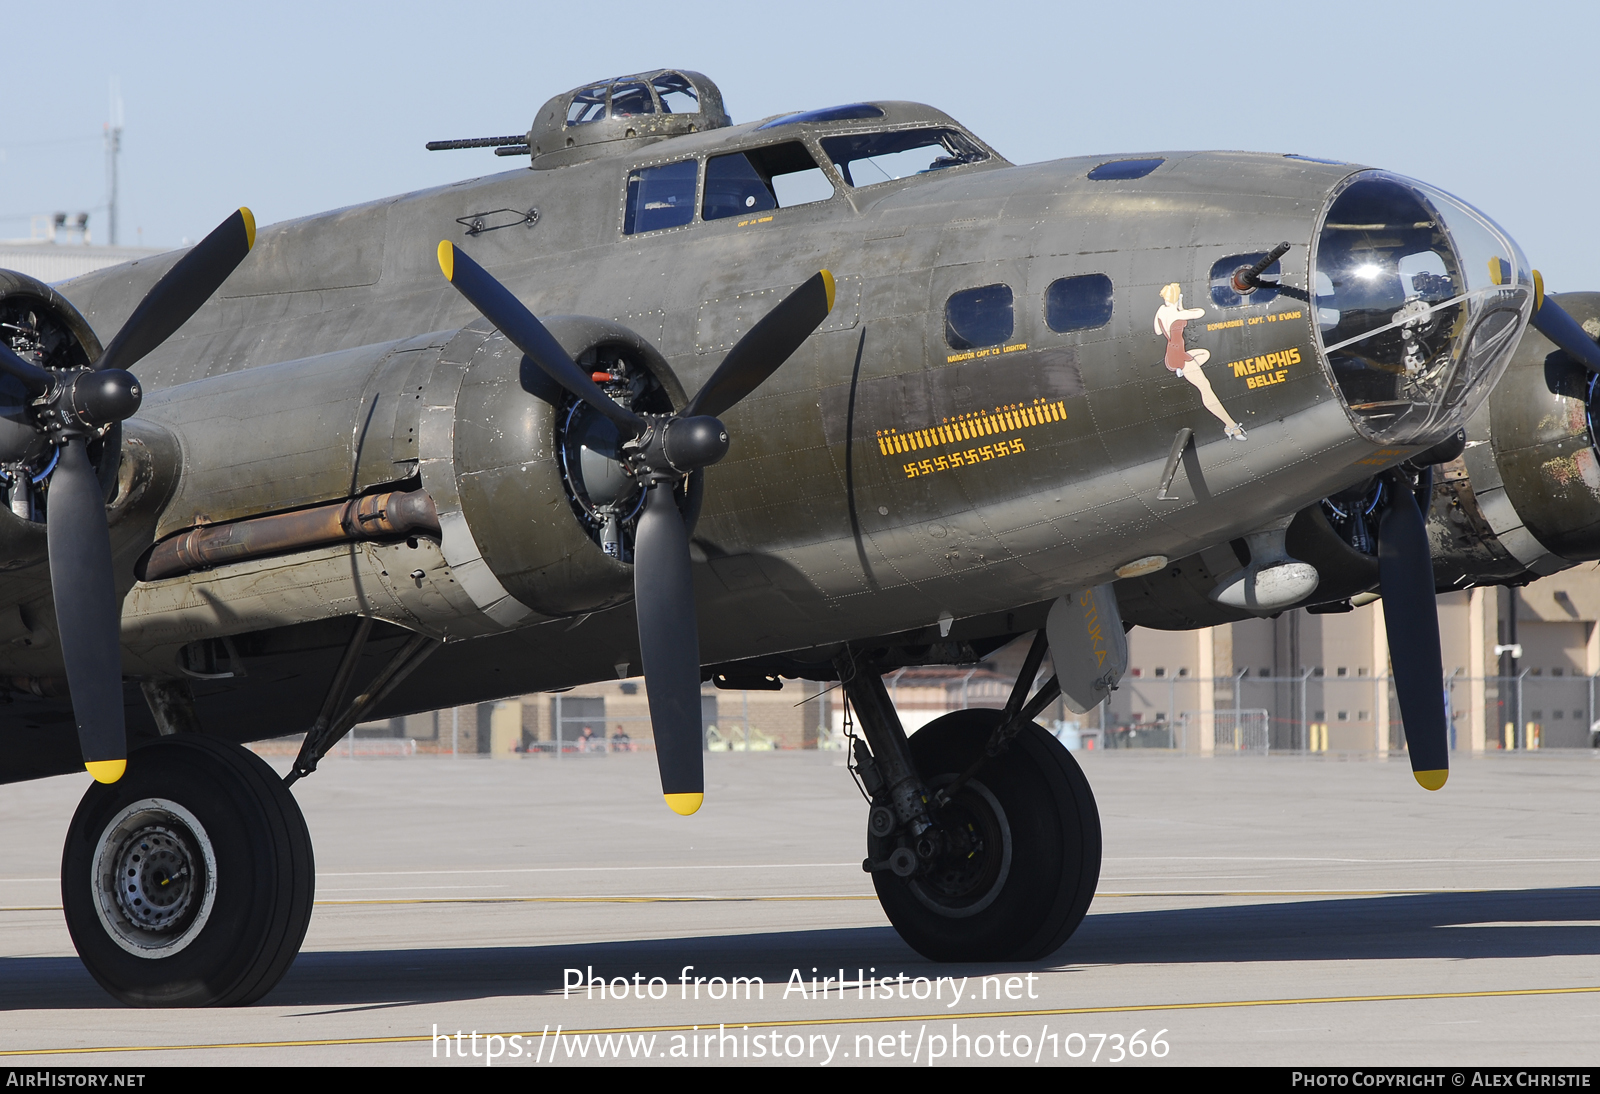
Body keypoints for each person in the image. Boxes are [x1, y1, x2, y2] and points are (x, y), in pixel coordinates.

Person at [1154, 283, 1246, 440]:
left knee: (1204, 354)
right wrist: (1181, 309)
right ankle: (1231, 426)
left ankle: (1181, 370)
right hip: (1180, 356)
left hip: (1172, 353)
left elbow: (1157, 330)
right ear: (1176, 297)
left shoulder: (1161, 311)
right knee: (1205, 387)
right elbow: (1199, 312)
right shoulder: (1177, 314)